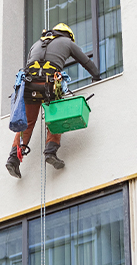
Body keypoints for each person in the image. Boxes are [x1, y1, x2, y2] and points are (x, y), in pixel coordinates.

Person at [6, 23, 100, 178]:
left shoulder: (36, 44)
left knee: (27, 123)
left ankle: (13, 159)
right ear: (68, 35)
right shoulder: (67, 42)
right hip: (49, 85)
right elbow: (86, 62)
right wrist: (96, 77)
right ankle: (50, 151)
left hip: (29, 86)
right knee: (56, 118)